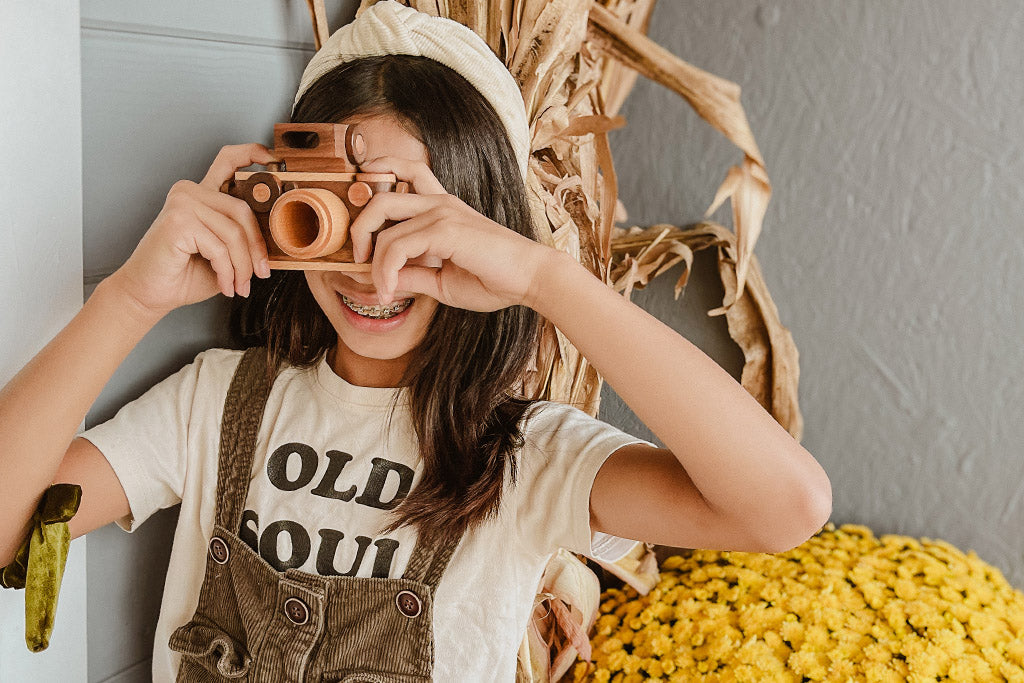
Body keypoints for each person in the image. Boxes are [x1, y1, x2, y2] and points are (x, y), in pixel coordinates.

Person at [0, 2, 831, 680]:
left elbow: (785, 505)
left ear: (480, 227)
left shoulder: (524, 456)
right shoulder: (215, 405)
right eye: (339, 212)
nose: (372, 264)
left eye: (407, 218)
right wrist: (127, 299)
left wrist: (542, 279)